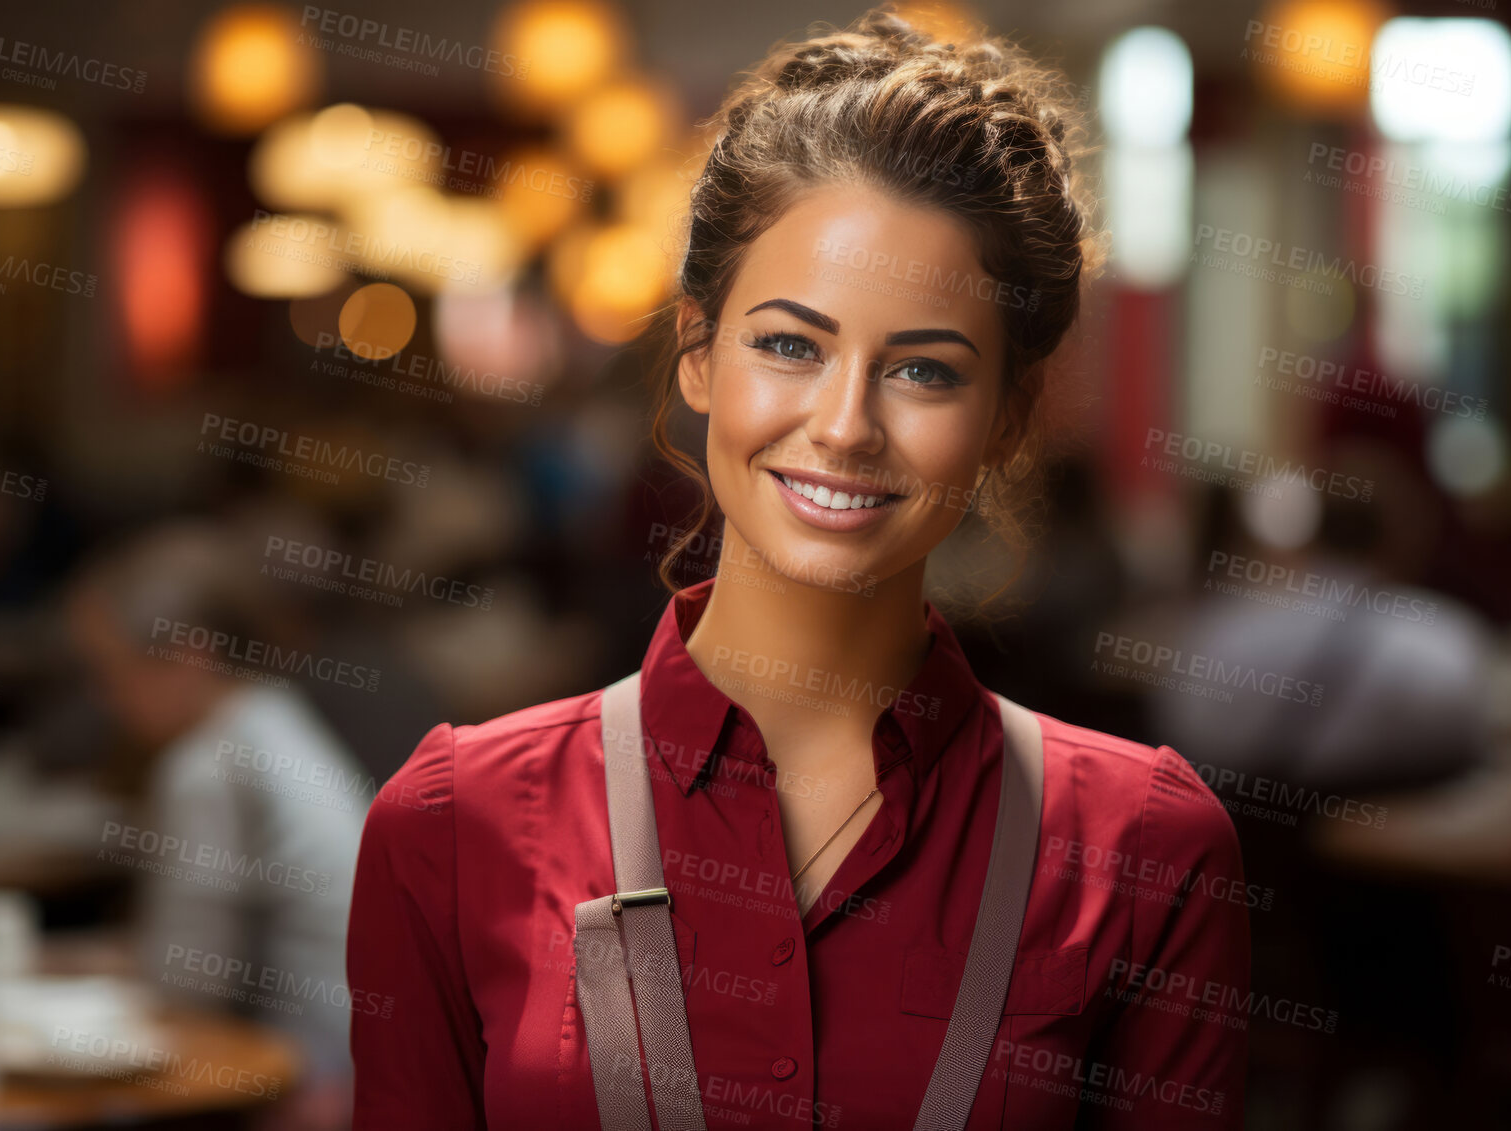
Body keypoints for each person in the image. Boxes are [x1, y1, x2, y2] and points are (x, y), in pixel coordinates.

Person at [348, 10, 1251, 1129]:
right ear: (696, 352)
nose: (843, 425)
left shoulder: (1143, 849)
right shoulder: (450, 826)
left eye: (923, 370)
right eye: (788, 344)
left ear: (1008, 418)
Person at [65, 521, 366, 1131]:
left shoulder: (206, 763)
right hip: (367, 1067)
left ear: (187, 655)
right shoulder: (278, 716)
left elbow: (186, 988)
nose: (105, 698)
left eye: (111, 669)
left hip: (305, 1088)